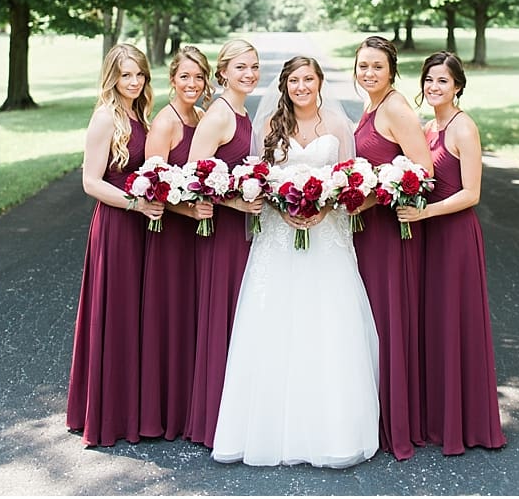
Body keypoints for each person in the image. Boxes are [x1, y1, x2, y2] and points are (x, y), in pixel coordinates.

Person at [212, 56, 379, 467]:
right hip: (278, 236)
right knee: (273, 320)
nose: (301, 86)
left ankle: (334, 432)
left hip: (326, 237)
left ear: (320, 83)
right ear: (284, 85)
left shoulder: (338, 127)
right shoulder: (270, 126)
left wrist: (326, 207)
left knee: (328, 321)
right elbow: (260, 179)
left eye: (308, 79)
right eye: (294, 80)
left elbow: (348, 185)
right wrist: (277, 202)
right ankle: (263, 429)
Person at [399, 52, 506, 454]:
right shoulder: (428, 127)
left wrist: (425, 211)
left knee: (455, 322)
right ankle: (437, 418)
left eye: (442, 81)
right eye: (428, 80)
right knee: (434, 323)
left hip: (455, 235)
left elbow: (472, 193)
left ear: (457, 86)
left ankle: (468, 423)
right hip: (429, 236)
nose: (433, 87)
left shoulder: (464, 128)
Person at [67, 43, 161, 447]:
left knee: (137, 317)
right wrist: (136, 204)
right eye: (126, 75)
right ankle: (108, 415)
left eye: (139, 74)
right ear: (112, 77)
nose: (134, 81)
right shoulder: (106, 117)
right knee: (116, 314)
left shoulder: (138, 115)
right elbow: (90, 181)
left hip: (141, 224)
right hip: (118, 226)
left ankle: (132, 409)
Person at [349, 35, 433, 460]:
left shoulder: (397, 107)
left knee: (387, 319)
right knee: (370, 320)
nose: (369, 73)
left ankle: (396, 420)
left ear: (392, 70)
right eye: (363, 66)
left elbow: (422, 169)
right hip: (368, 229)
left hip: (388, 232)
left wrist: (375, 193)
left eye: (377, 67)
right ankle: (375, 411)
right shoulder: (371, 104)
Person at [181, 38, 264, 446]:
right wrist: (235, 202)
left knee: (242, 318)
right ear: (223, 72)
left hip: (244, 232)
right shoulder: (218, 114)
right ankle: (213, 418)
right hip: (225, 234)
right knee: (223, 316)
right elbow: (194, 177)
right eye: (241, 67)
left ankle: (239, 411)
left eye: (254, 66)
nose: (249, 74)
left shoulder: (242, 109)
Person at [139, 44, 214, 440]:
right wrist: (188, 212)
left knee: (191, 318)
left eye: (198, 77)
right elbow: (152, 187)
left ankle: (189, 407)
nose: (192, 83)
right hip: (170, 234)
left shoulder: (201, 116)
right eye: (184, 77)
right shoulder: (165, 122)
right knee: (169, 318)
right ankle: (162, 412)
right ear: (172, 80)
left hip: (196, 238)